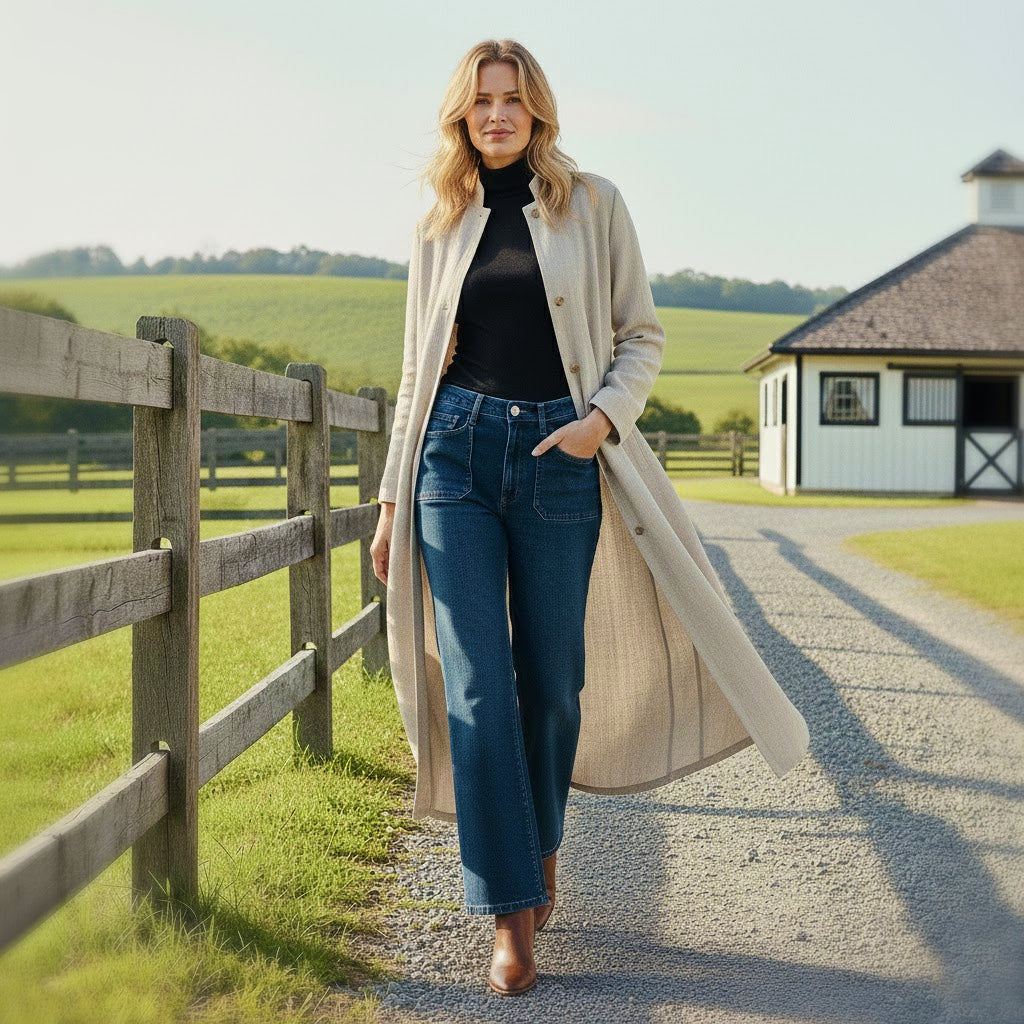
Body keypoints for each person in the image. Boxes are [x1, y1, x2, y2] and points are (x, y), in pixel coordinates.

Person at [371, 37, 810, 997]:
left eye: (513, 100)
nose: (496, 115)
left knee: (554, 683)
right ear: (460, 114)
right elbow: (414, 370)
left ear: (538, 112)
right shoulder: (437, 222)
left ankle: (543, 849)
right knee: (479, 686)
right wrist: (392, 499)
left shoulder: (592, 204)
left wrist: (597, 421)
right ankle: (509, 914)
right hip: (453, 458)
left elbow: (642, 334)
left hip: (557, 460)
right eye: (481, 101)